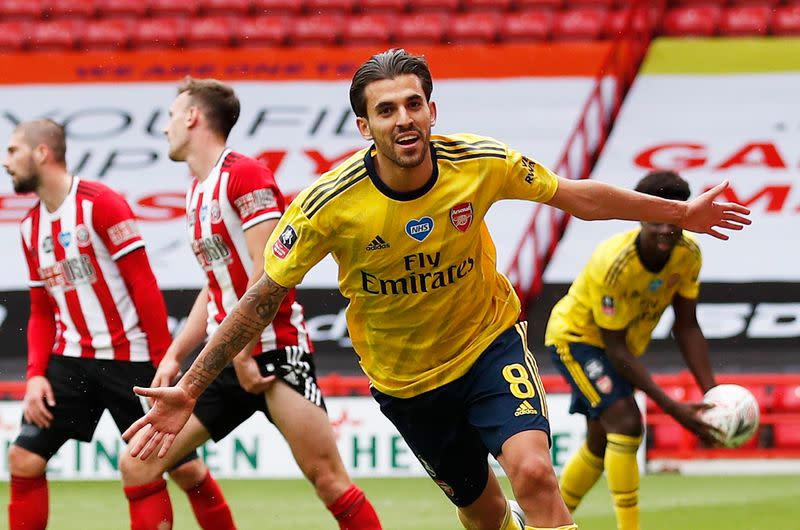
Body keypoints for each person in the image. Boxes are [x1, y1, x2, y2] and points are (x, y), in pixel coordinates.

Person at [123, 49, 750, 530]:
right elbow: (260, 295)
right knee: (484, 517)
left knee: (534, 473)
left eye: (414, 104)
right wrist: (190, 386)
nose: (404, 119)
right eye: (387, 109)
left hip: (488, 345)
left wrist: (679, 213)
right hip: (407, 383)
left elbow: (577, 196)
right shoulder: (326, 206)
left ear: (432, 109)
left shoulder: (479, 161)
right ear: (364, 125)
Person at [117, 77, 382, 530]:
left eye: (169, 117)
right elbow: (214, 286)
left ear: (192, 117)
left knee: (330, 482)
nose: (164, 129)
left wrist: (241, 349)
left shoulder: (246, 174)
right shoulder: (197, 190)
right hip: (226, 361)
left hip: (275, 352)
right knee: (138, 464)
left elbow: (267, 268)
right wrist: (177, 355)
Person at [3, 119, 235, 530]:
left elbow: (142, 284)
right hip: (70, 361)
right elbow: (41, 312)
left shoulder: (100, 202)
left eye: (13, 151)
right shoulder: (29, 227)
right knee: (23, 458)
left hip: (131, 362)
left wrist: (166, 359)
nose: (7, 162)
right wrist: (35, 375)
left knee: (184, 471)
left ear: (41, 153)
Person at [545, 170, 722, 530]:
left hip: (620, 347)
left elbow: (687, 326)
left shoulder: (688, 255)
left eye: (673, 220)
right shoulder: (614, 263)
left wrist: (712, 395)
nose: (665, 230)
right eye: (655, 221)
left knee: (599, 440)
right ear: (641, 216)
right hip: (576, 340)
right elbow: (615, 349)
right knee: (626, 422)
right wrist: (672, 408)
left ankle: (545, 520)